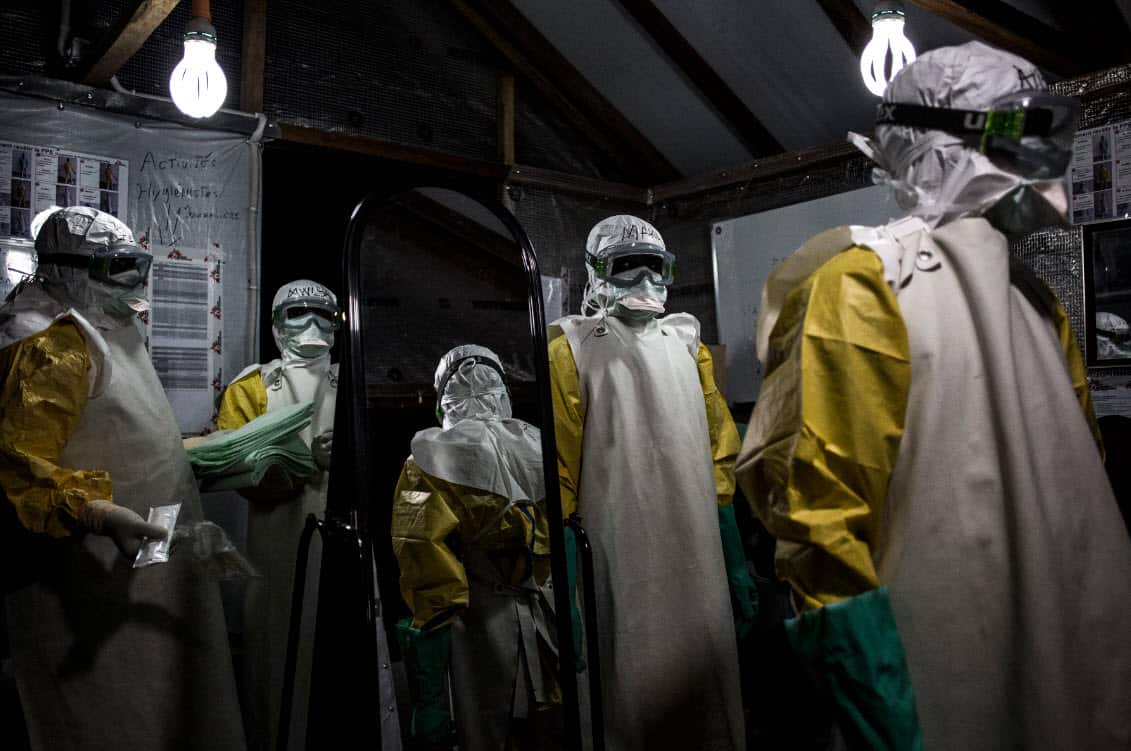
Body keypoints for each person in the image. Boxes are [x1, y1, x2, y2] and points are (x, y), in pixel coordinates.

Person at [737, 42, 1131, 750]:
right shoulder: (865, 286)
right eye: (1025, 132)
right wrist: (880, 709)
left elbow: (1082, 480)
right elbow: (820, 520)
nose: (1049, 159)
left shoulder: (1035, 301)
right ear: (944, 145)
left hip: (1073, 659)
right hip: (939, 676)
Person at [0, 206, 246, 749]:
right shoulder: (45, 342)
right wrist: (99, 512)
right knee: (115, 718)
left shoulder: (105, 320)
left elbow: (119, 429)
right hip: (88, 577)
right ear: (65, 269)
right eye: (116, 269)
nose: (133, 283)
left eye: (137, 266)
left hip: (148, 559)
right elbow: (21, 468)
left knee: (177, 707)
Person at [547, 214, 750, 750]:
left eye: (655, 267)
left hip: (696, 550)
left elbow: (719, 455)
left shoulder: (687, 343)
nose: (644, 280)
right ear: (596, 272)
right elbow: (559, 474)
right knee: (629, 688)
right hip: (619, 552)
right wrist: (564, 590)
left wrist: (734, 559)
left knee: (705, 694)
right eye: (626, 266)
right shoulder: (572, 349)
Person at [391, 344, 558, 751]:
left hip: (479, 623)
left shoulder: (424, 463)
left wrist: (430, 693)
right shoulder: (542, 447)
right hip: (546, 612)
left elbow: (425, 566)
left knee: (488, 729)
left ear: (443, 401)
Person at [216, 279, 339, 751]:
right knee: (277, 646)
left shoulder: (350, 382)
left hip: (339, 535)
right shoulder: (250, 387)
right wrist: (304, 462)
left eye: (323, 315)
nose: (312, 324)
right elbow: (234, 468)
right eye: (298, 314)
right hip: (277, 537)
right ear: (275, 323)